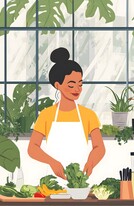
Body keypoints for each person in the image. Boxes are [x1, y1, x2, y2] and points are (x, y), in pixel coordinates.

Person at [28, 47, 105, 184]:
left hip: (81, 182)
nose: (77, 89)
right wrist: (52, 162)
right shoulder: (47, 115)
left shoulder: (88, 115)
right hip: (53, 183)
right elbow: (32, 147)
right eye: (71, 85)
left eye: (80, 84)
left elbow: (99, 147)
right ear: (57, 85)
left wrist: (91, 162)